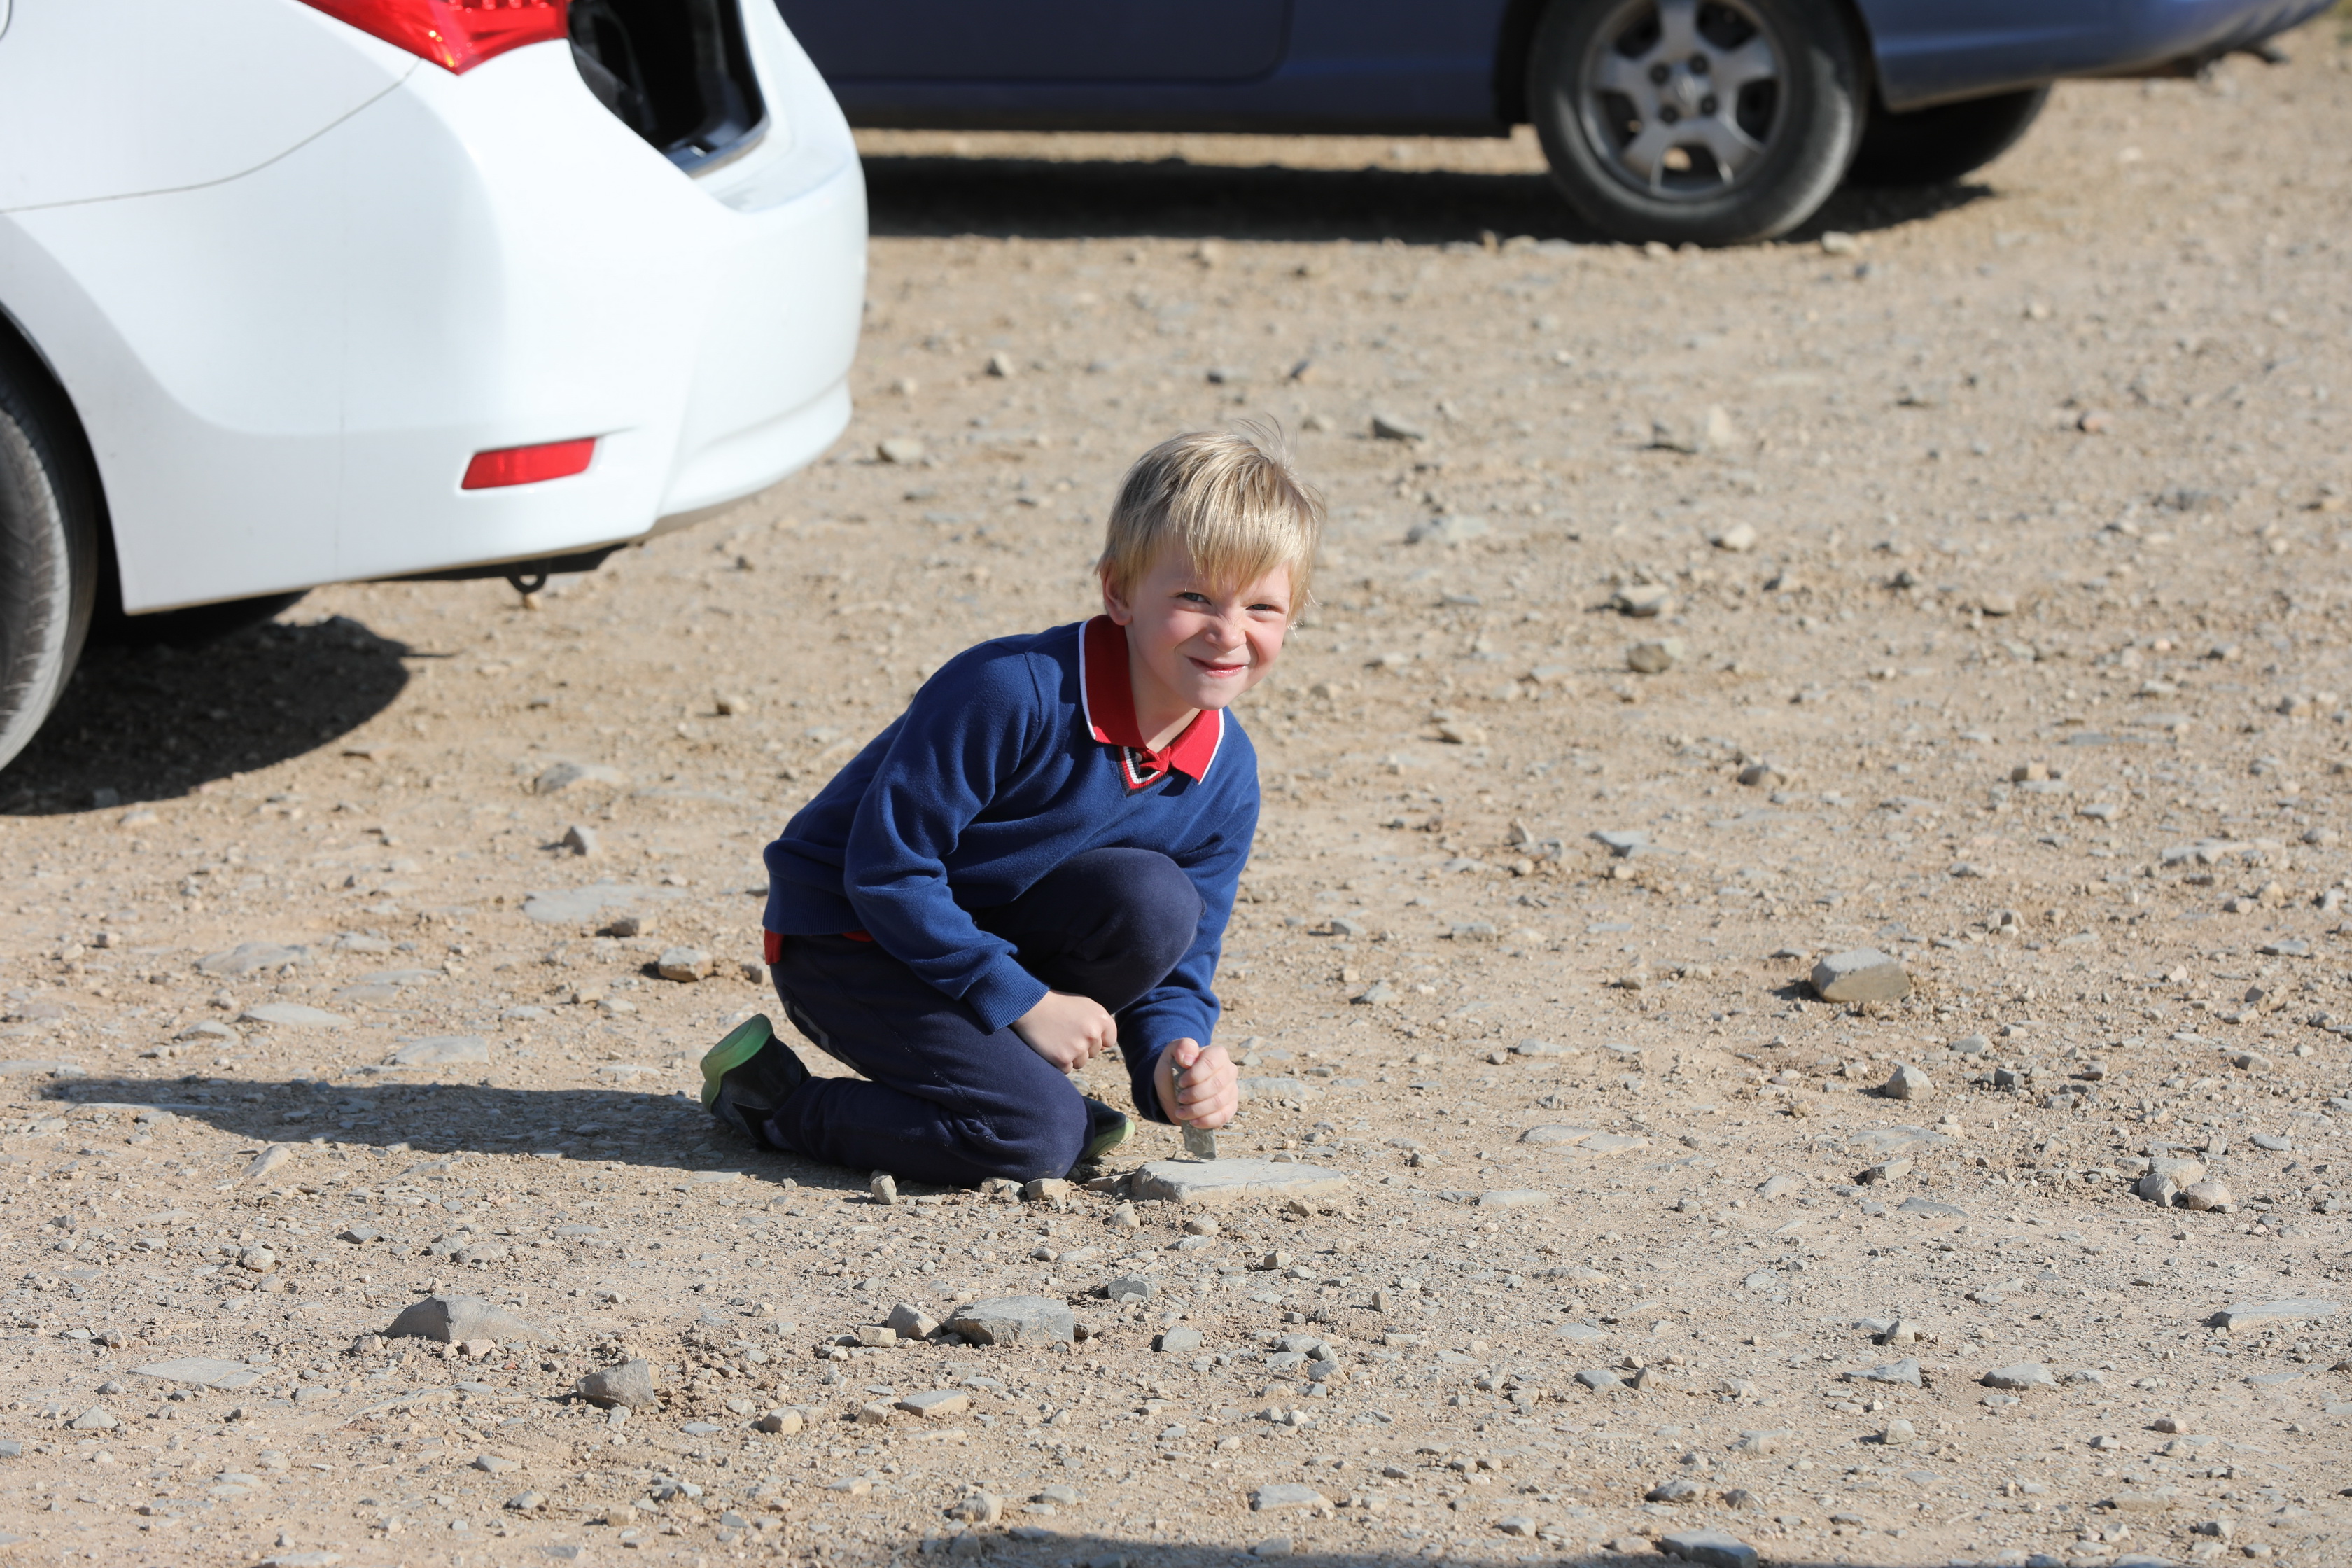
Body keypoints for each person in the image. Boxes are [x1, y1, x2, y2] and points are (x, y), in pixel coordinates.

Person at [697, 421, 1321, 1186]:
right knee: (1033, 1140)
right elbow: (887, 871)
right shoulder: (1010, 691)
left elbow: (1180, 962)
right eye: (1194, 596)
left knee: (1159, 901)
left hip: (978, 935)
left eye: (1263, 608)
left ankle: (1002, 1080)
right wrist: (1022, 998)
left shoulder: (1227, 772)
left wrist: (1173, 1061)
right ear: (1119, 590)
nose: (1229, 633)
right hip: (849, 939)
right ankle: (774, 1103)